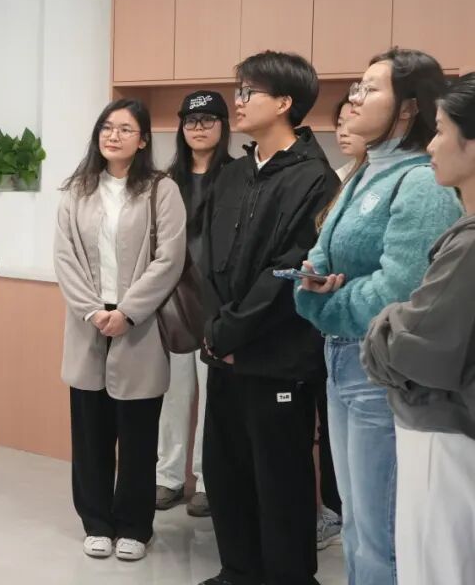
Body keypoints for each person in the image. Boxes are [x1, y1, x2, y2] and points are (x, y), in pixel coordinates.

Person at [295, 48, 460, 585]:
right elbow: (324, 253)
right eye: (357, 88)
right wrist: (313, 280)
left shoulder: (420, 182)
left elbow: (401, 291)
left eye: (370, 89)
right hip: (341, 355)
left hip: (378, 366)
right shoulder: (368, 171)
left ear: (408, 107)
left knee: (380, 533)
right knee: (356, 526)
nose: (355, 100)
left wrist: (326, 302)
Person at [197, 51, 340, 585]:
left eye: (247, 92)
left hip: (277, 356)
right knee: (225, 469)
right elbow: (208, 259)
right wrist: (216, 331)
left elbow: (290, 270)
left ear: (284, 102)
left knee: (279, 479)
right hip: (225, 352)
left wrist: (234, 332)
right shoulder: (233, 174)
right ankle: (237, 570)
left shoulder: (314, 178)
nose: (236, 102)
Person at [53, 99, 186, 563]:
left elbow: (170, 258)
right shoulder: (77, 190)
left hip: (139, 323)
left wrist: (128, 311)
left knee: (137, 433)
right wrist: (92, 311)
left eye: (126, 129)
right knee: (90, 434)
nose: (113, 135)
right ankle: (96, 521)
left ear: (143, 140)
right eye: (107, 127)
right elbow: (65, 257)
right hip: (87, 322)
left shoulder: (161, 190)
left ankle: (134, 525)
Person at [362, 73, 475, 584]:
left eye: (442, 130)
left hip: (444, 433)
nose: (431, 144)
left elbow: (409, 345)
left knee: (434, 567)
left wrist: (384, 322)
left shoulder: (468, 246)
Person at [155, 90, 232, 517]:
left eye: (208, 120)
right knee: (174, 392)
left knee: (214, 396)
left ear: (223, 125)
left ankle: (206, 480)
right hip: (173, 301)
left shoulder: (239, 175)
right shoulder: (166, 182)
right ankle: (168, 477)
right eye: (190, 121)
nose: (198, 128)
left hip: (220, 303)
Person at [312, 95, 369, 551]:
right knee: (331, 438)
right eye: (340, 121)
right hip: (328, 327)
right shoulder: (341, 179)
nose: (344, 129)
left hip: (367, 336)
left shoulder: (401, 181)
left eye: (354, 119)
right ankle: (331, 511)